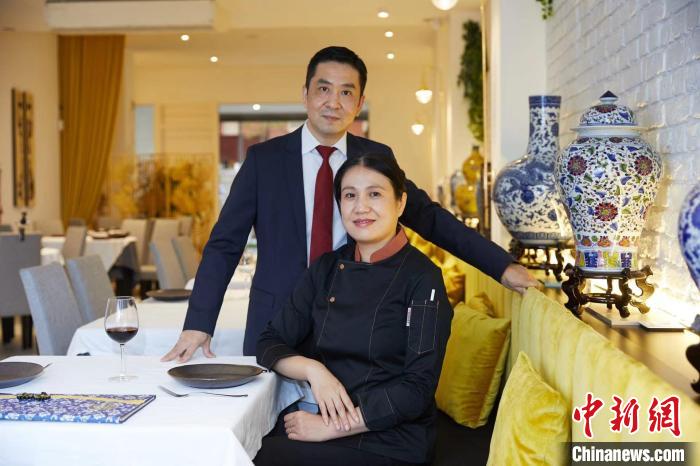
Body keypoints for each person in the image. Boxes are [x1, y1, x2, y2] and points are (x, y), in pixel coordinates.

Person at [162, 46, 538, 362]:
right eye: (323, 89)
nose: (333, 102)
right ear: (305, 94)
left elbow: (428, 217)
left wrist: (502, 265)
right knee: (266, 423)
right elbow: (225, 244)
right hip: (275, 322)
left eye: (346, 93)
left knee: (337, 417)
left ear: (359, 104)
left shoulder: (375, 158)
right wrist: (199, 323)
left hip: (354, 324)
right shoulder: (264, 160)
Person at [254, 153, 452, 466]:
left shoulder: (422, 277)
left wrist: (333, 426)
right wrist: (314, 371)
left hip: (389, 438)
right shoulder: (326, 268)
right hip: (324, 420)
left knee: (260, 456)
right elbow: (269, 342)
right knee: (244, 446)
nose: (361, 207)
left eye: (375, 194)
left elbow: (417, 389)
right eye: (350, 196)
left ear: (400, 203)